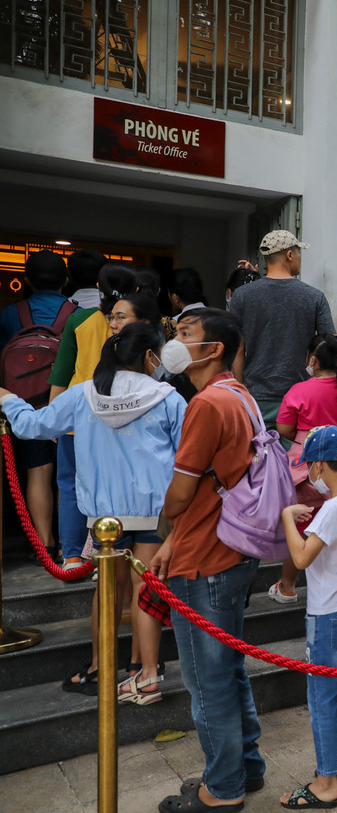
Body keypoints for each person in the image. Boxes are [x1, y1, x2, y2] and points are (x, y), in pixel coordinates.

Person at [3, 322, 184, 703]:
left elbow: (33, 426)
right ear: (150, 357)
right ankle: (145, 674)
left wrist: (8, 399)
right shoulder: (167, 397)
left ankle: (101, 668)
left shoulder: (82, 394)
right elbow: (188, 453)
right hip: (155, 512)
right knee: (146, 591)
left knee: (107, 591)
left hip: (104, 520)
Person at [149, 308, 264, 812]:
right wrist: (175, 537)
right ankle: (244, 767)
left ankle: (222, 789)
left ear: (213, 348)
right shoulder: (240, 395)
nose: (175, 341)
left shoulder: (207, 403)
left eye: (185, 333)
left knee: (206, 679)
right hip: (227, 550)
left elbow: (180, 492)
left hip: (206, 561)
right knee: (228, 668)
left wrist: (164, 526)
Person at [277, 426, 337, 809]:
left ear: (318, 466)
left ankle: (326, 781)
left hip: (327, 612)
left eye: (311, 468)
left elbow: (300, 559)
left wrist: (287, 516)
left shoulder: (332, 509)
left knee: (321, 697)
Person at [269, 333, 337, 602]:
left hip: (309, 468)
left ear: (312, 360)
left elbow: (284, 429)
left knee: (301, 524)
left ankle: (288, 587)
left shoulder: (298, 391)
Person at [47, 262, 136, 569]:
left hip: (77, 418)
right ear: (135, 291)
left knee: (70, 485)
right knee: (115, 486)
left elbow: (62, 372)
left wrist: (54, 418)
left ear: (98, 289)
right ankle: (110, 555)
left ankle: (72, 555)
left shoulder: (79, 320)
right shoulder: (139, 324)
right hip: (122, 420)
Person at [0, 249, 70, 554]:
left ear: (26, 279)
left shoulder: (9, 314)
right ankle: (71, 542)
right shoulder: (77, 314)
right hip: (67, 404)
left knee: (37, 472)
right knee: (68, 475)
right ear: (65, 280)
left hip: (24, 405)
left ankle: (44, 544)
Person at [229, 229, 336, 429]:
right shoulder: (314, 297)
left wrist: (241, 391)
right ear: (289, 254)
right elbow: (330, 346)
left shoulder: (242, 296)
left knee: (260, 458)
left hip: (255, 397)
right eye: (298, 252)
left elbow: (237, 351)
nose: (300, 258)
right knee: (295, 458)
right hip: (301, 397)